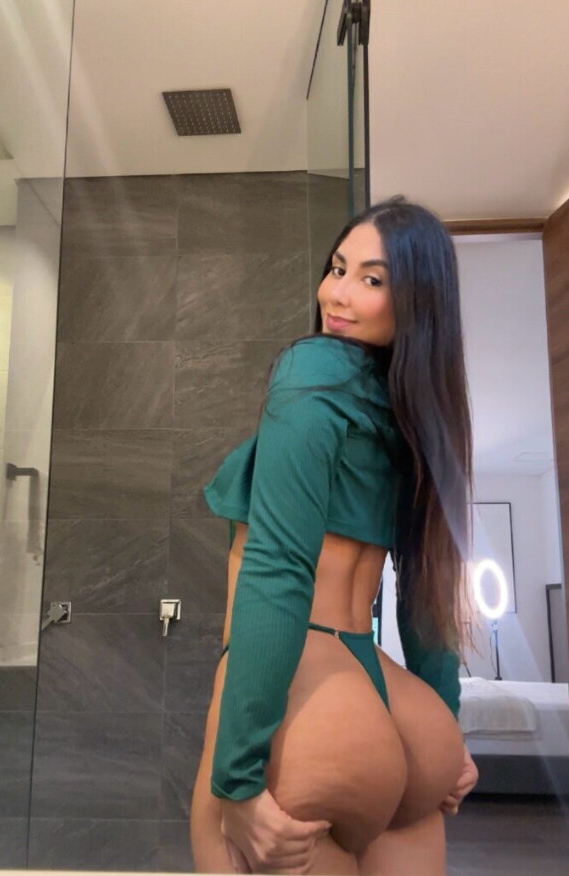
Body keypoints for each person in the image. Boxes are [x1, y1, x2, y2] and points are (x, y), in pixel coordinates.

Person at [190, 195, 480, 876]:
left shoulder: (313, 370)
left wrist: (237, 779)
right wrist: (445, 736)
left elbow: (278, 568)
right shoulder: (418, 411)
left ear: (416, 302)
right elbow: (428, 598)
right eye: (338, 268)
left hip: (313, 699)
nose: (337, 294)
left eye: (371, 280)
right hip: (401, 710)